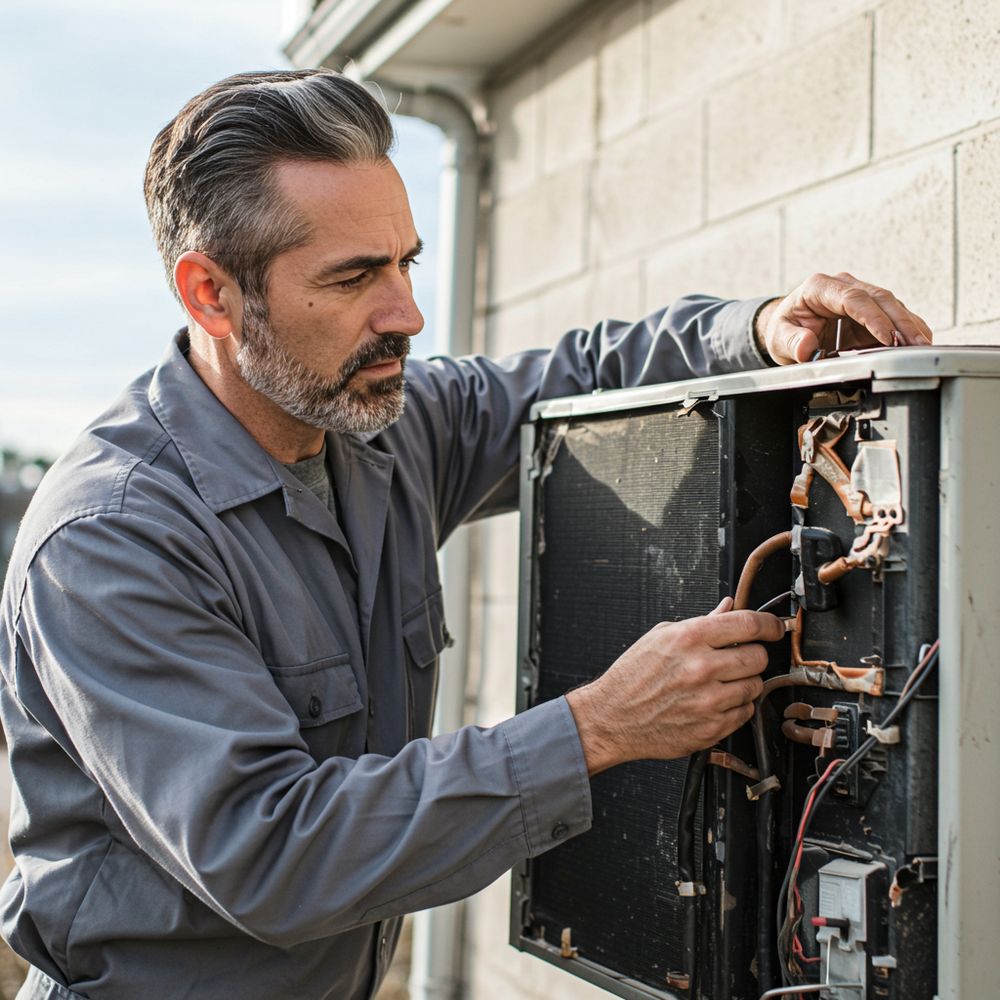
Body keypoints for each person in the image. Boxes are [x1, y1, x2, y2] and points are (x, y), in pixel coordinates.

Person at [0, 69, 932, 1000]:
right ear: (211, 293)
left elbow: (576, 379)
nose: (405, 314)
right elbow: (271, 854)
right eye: (353, 277)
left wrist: (758, 332)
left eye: (404, 263)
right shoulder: (111, 540)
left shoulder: (379, 427)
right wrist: (598, 727)